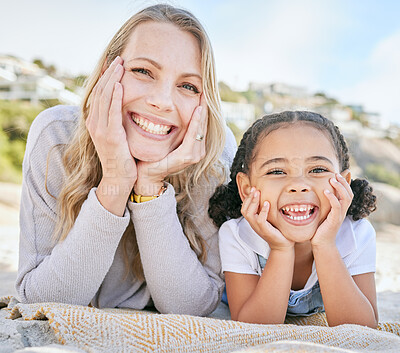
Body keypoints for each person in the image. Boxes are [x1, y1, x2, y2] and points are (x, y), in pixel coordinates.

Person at [16, 4, 237, 316]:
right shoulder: (56, 136)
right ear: (109, 71)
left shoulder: (213, 152)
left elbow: (192, 307)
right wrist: (117, 181)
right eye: (143, 71)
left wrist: (150, 185)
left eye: (188, 86)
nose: (161, 101)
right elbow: (42, 302)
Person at [209, 111, 378, 327]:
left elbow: (363, 329)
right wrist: (280, 249)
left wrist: (325, 245)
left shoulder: (357, 233)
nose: (298, 184)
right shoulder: (237, 234)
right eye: (277, 171)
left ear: (343, 182)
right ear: (246, 188)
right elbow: (253, 328)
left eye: (317, 169)